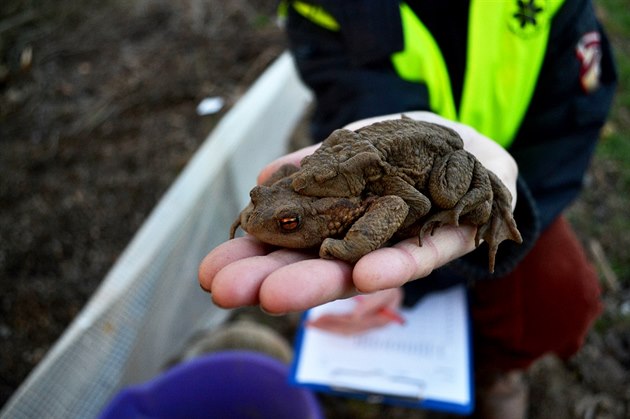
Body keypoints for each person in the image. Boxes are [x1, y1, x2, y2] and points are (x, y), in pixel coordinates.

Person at [199, 1, 617, 417]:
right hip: (390, 151)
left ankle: (497, 371)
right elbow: (346, 119)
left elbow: (406, 201)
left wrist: (359, 244)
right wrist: (265, 207)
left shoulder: (557, 10)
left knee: (562, 300)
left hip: (508, 178)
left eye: (288, 224)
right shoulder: (327, 11)